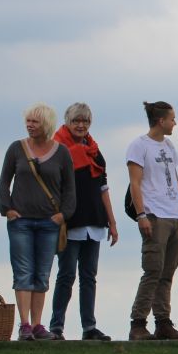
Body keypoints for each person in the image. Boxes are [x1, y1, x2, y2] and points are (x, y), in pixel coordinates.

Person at [0, 103, 76, 341]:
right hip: (20, 221)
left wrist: (64, 214)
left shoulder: (61, 153)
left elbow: (69, 189)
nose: (30, 126)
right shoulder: (16, 149)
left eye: (35, 122)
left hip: (48, 222)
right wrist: (7, 209)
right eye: (28, 121)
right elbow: (3, 183)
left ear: (46, 124)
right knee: (23, 272)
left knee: (42, 273)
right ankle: (24, 325)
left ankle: (38, 323)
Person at [126, 101, 178, 341]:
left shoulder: (169, 146)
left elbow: (175, 181)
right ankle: (138, 323)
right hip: (154, 216)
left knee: (167, 272)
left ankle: (163, 322)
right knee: (152, 270)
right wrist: (141, 215)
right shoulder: (139, 146)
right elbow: (135, 183)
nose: (175, 123)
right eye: (172, 119)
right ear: (161, 121)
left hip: (174, 216)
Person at [48, 103, 117, 341]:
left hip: (94, 220)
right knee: (66, 275)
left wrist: (112, 221)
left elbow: (103, 187)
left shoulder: (94, 150)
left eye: (85, 121)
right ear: (68, 121)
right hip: (71, 220)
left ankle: (89, 326)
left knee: (89, 277)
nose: (80, 125)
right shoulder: (58, 148)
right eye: (76, 121)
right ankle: (56, 325)